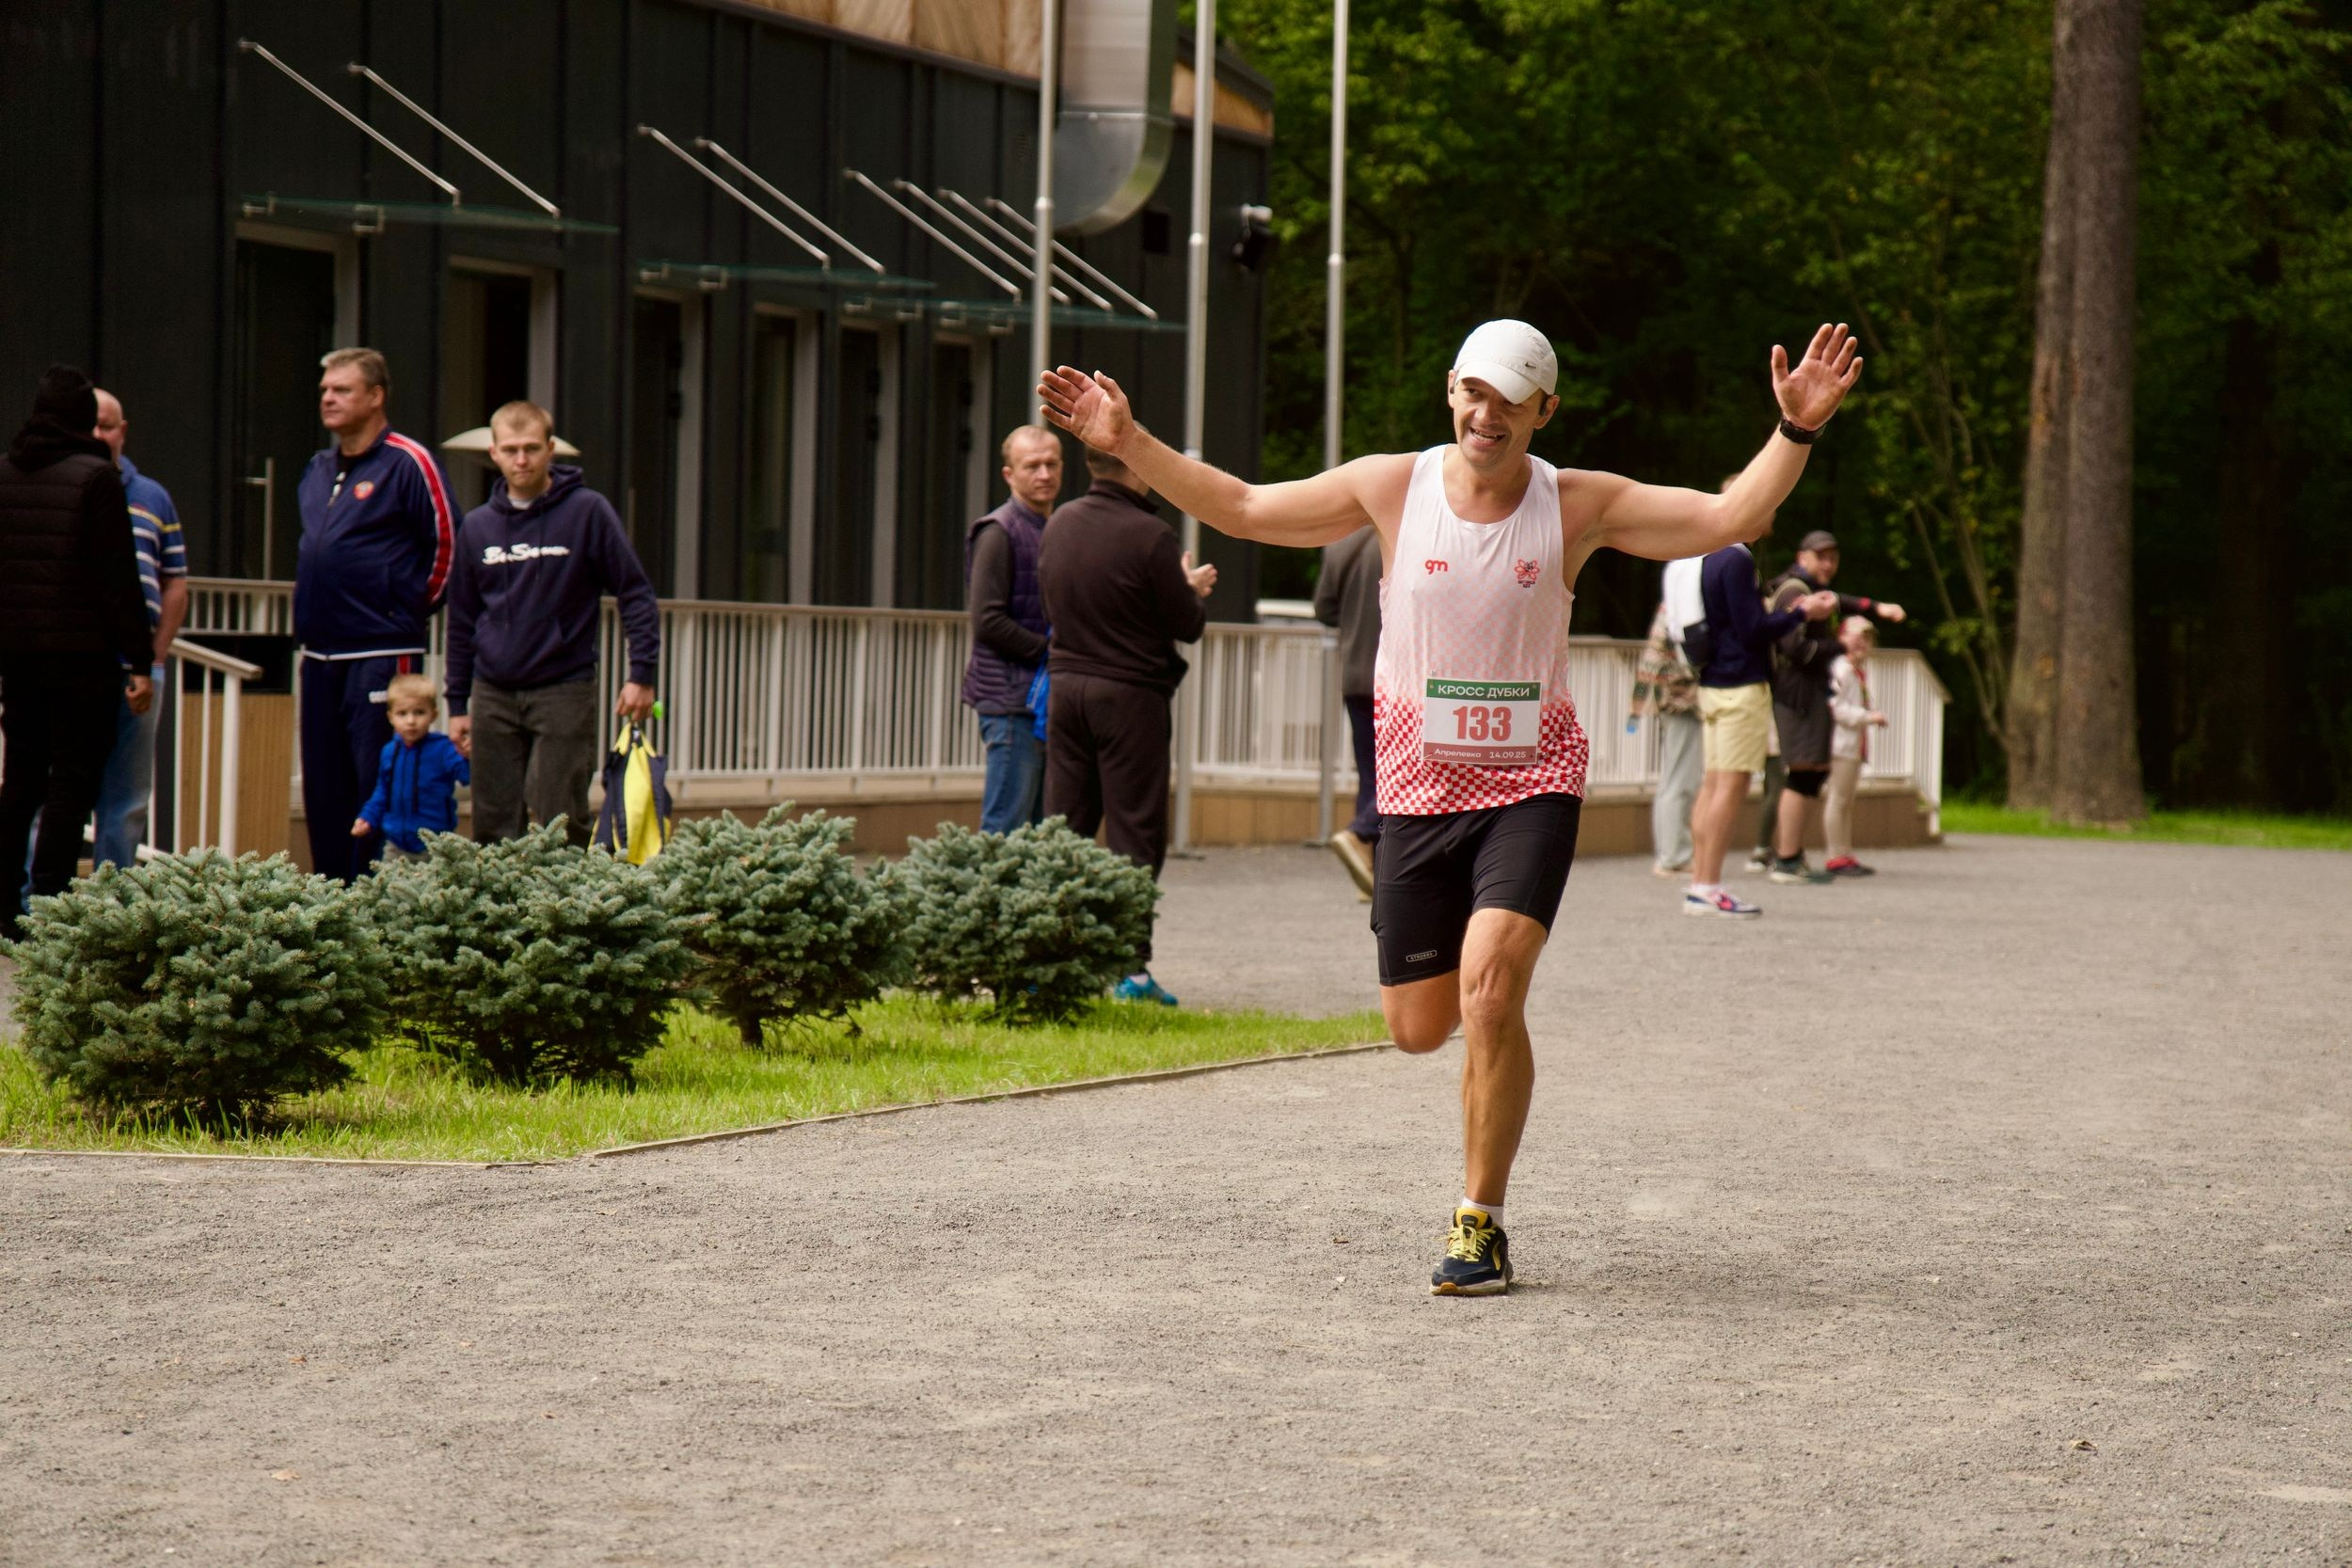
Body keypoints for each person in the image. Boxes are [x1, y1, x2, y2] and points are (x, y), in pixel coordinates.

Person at [1040, 317, 1864, 1294]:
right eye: (1476, 392)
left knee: (1490, 990)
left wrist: (1795, 432)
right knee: (1418, 1027)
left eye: (1513, 399)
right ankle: (1452, 1023)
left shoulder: (1574, 505)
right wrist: (1128, 442)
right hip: (1417, 796)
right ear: (1450, 392)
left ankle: (1481, 1219)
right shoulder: (1394, 485)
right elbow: (1249, 505)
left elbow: (1729, 514)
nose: (1489, 414)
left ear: (1543, 412)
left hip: (1530, 783)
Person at [1038, 444, 1216, 1006]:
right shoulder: (1151, 538)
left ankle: (1047, 959)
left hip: (1066, 691)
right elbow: (1185, 625)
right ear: (1134, 469)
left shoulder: (1060, 522)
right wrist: (1188, 590)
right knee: (1134, 832)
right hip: (1130, 696)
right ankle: (1129, 971)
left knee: (1064, 827)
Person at [443, 402, 659, 846]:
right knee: (493, 822)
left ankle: (566, 911)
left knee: (561, 814)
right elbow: (461, 619)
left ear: (551, 450)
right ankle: (500, 913)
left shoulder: (587, 512)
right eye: (511, 450)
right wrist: (457, 704)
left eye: (531, 448)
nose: (521, 460)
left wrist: (642, 674)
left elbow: (635, 592)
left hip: (563, 686)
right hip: (492, 691)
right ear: (494, 453)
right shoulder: (479, 526)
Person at [0, 366, 153, 934]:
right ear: (86, 420)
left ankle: (4, 909)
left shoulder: (5, 475)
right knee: (70, 784)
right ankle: (51, 907)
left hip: (18, 659)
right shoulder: (96, 479)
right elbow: (118, 582)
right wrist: (138, 661)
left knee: (19, 781)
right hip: (81, 660)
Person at [294, 348, 455, 882]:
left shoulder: (408, 462)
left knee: (379, 782)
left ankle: (379, 905)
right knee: (324, 788)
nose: (327, 398)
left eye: (341, 389)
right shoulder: (317, 469)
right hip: (319, 654)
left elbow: (446, 548)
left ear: (376, 395)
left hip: (381, 652)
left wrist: (404, 611)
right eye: (323, 390)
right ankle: (330, 903)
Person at [1686, 525, 1839, 918]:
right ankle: (1707, 887)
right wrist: (1802, 612)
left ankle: (1699, 882)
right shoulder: (1736, 558)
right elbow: (1753, 630)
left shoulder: (1707, 554)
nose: (1771, 517)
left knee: (1712, 784)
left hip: (1714, 681)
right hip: (1740, 684)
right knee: (1730, 786)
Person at [1759, 530, 1904, 883]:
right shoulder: (1795, 592)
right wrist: (1840, 646)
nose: (1827, 563)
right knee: (1803, 773)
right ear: (1802, 556)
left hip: (1807, 694)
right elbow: (1797, 649)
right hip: (1797, 695)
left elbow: (1839, 600)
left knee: (1813, 773)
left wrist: (1876, 608)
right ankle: (1786, 859)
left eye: (1832, 557)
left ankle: (1791, 855)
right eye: (1820, 556)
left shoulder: (1809, 590)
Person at [87, 388, 187, 867]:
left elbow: (175, 582)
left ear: (122, 432)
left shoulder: (153, 497)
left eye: (106, 426)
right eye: (90, 424)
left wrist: (158, 656)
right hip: (75, 664)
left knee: (126, 798)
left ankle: (115, 907)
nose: (97, 435)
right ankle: (36, 907)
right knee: (50, 791)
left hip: (140, 668)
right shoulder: (64, 487)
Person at [962, 426, 1060, 833]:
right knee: (1003, 831)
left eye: (1052, 464)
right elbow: (987, 622)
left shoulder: (1052, 528)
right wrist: (1053, 653)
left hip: (1039, 704)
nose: (1044, 474)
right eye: (1031, 466)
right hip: (1009, 703)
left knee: (1038, 833)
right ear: (1009, 475)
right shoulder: (998, 532)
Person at [1314, 525, 1382, 898]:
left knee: (1370, 772)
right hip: (1402, 678)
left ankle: (1369, 869)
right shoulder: (1405, 536)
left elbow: (1324, 608)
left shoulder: (1341, 543)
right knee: (1402, 770)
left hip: (1355, 674)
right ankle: (1361, 832)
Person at [352, 673, 469, 860]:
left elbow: (467, 777)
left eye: (419, 712)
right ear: (390, 717)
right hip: (395, 845)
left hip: (435, 845)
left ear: (434, 714)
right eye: (402, 713)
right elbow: (382, 792)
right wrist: (368, 817)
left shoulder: (443, 749)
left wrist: (468, 755)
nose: (411, 721)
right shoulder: (390, 751)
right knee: (391, 887)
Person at [1629, 578, 1701, 878]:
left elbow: (1654, 655)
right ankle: (1673, 856)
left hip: (1674, 698)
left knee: (1678, 778)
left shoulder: (1675, 602)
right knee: (1680, 780)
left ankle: (1674, 852)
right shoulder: (1683, 605)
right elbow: (1659, 654)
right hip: (1682, 700)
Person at [1824, 616, 1888, 877]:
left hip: (1853, 744)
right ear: (1842, 638)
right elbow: (1836, 708)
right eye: (1856, 636)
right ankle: (1835, 855)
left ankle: (1845, 852)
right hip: (1841, 744)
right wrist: (1868, 717)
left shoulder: (1856, 671)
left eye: (1867, 637)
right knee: (1838, 799)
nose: (1862, 642)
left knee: (1846, 801)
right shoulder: (1841, 669)